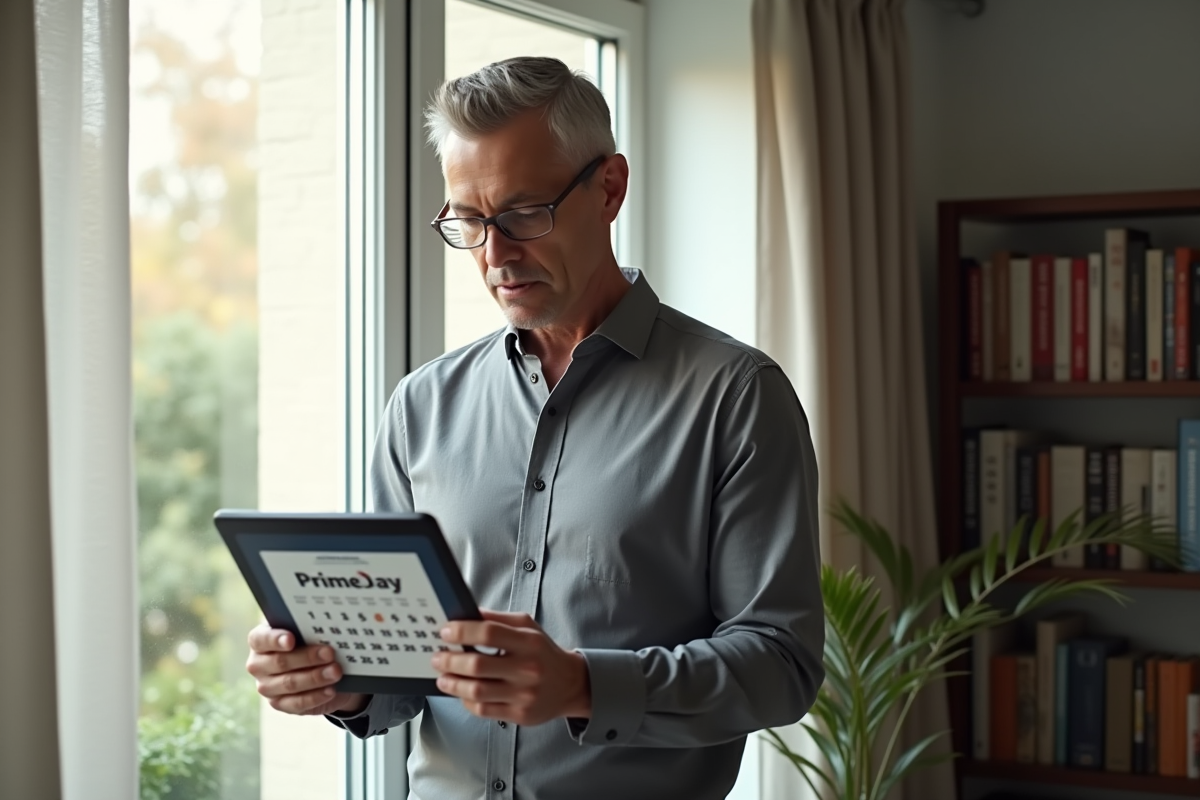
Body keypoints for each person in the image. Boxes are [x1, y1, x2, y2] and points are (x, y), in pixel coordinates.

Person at [245, 56, 823, 799]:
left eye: (522, 214)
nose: (495, 255)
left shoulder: (736, 397)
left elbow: (781, 667)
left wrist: (585, 685)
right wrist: (335, 681)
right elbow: (399, 670)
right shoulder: (422, 406)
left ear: (609, 188)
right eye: (468, 221)